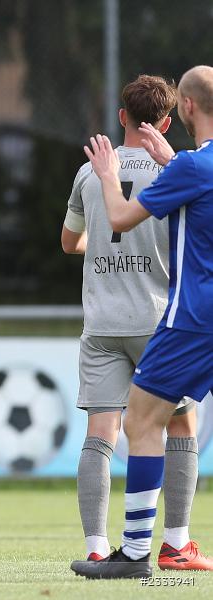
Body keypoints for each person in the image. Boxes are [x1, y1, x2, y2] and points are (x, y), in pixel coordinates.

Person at [63, 75, 213, 572]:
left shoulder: (89, 174)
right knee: (178, 425)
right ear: (167, 121)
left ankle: (98, 546)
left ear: (122, 115)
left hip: (113, 320)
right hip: (159, 315)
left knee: (104, 433)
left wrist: (105, 178)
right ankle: (176, 539)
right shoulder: (182, 167)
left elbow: (75, 240)